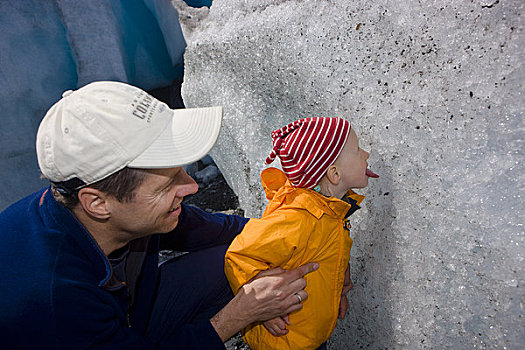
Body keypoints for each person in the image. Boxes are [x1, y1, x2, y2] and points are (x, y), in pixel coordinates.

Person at [0, 81, 319, 349]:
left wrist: (300, 239)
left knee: (251, 255)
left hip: (131, 310)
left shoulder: (106, 210)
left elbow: (207, 228)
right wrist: (239, 314)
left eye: (182, 170)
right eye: (167, 183)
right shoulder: (56, 300)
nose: (192, 186)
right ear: (97, 203)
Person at [224, 117, 379, 349]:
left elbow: (323, 252)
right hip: (286, 339)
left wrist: (338, 289)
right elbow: (239, 256)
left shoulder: (330, 209)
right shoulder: (298, 219)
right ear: (334, 174)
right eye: (357, 150)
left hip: (308, 332)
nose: (366, 154)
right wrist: (260, 308)